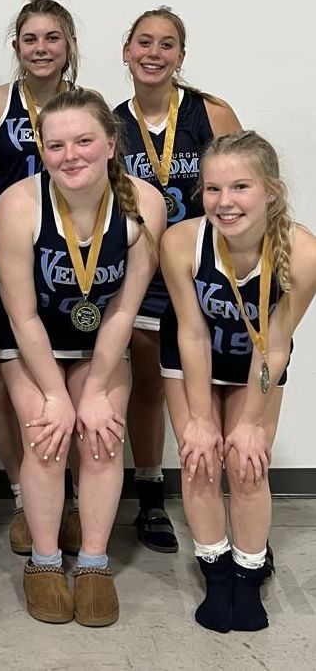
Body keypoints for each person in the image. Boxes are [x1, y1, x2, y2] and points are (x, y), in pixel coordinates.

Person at [0, 87, 166, 626]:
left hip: (99, 338)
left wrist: (91, 393)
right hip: (31, 336)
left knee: (102, 432)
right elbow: (21, 316)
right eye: (57, 144)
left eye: (85, 141)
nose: (71, 155)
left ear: (111, 144)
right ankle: (44, 560)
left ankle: (92, 561)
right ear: (41, 149)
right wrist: (53, 394)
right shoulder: (17, 205)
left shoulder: (145, 204)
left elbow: (122, 310)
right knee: (46, 432)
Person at [160, 131, 316, 633]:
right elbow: (191, 332)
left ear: (270, 190)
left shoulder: (303, 251)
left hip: (260, 365)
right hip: (193, 359)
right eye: (212, 189)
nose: (224, 202)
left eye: (240, 187)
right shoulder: (181, 241)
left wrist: (249, 421)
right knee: (200, 459)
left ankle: (248, 577)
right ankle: (217, 573)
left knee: (247, 465)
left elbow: (273, 344)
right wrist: (201, 418)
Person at [114, 6, 242, 552]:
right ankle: (149, 498)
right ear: (126, 51)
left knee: (214, 392)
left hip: (203, 271)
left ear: (181, 57)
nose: (154, 53)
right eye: (144, 42)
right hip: (144, 271)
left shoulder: (212, 113)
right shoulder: (111, 122)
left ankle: (230, 507)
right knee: (147, 387)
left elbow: (247, 187)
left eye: (167, 45)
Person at [0, 0, 82, 555]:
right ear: (15, 46)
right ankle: (25, 495)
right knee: (6, 378)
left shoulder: (87, 102)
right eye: (30, 39)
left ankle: (66, 498)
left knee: (71, 377)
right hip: (9, 255)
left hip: (75, 259)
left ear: (69, 45)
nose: (41, 47)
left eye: (52, 38)